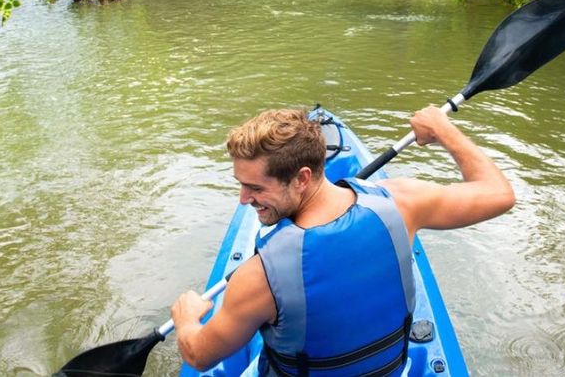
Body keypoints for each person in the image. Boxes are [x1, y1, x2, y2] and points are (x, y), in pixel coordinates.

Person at [171, 106, 515, 375]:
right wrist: (444, 129)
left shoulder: (258, 278)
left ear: (302, 178)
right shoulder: (404, 202)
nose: (243, 199)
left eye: (256, 188)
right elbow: (499, 193)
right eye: (241, 184)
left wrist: (188, 319)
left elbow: (199, 355)